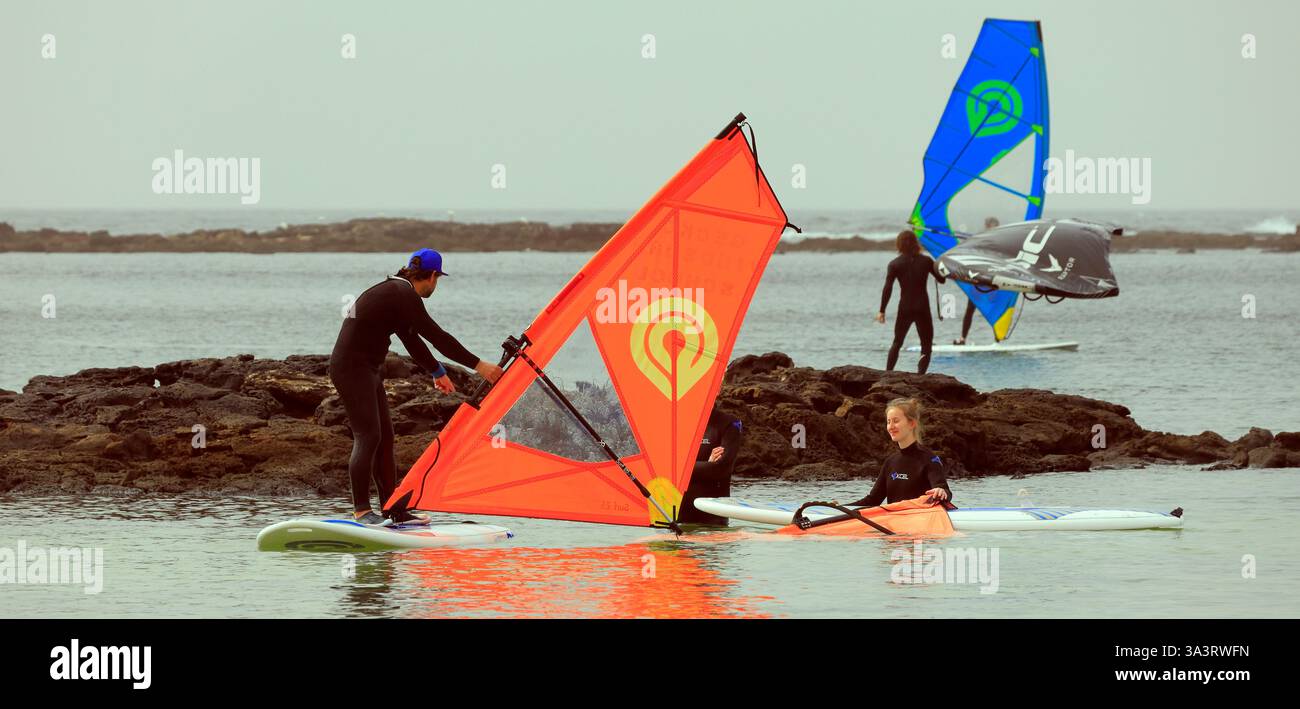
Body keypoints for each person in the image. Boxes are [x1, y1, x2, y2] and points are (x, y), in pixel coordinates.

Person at [329, 248, 503, 526]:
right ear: (433, 276)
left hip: (367, 370)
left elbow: (410, 338)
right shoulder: (403, 295)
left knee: (385, 437)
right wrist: (479, 365)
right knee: (369, 436)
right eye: (438, 280)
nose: (436, 285)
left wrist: (437, 371)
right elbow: (436, 336)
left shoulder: (395, 293)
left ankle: (392, 510)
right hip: (352, 370)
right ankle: (362, 512)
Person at [842, 398, 951, 508]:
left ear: (912, 423)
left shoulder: (929, 459)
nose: (891, 426)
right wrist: (840, 508)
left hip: (919, 520)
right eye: (888, 422)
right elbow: (873, 500)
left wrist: (941, 491)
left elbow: (944, 491)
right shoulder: (890, 462)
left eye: (896, 421)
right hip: (894, 522)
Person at [876, 229, 945, 374]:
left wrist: (882, 310)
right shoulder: (926, 261)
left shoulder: (894, 264)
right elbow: (942, 280)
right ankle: (920, 376)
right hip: (922, 307)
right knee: (926, 345)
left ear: (899, 244)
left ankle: (888, 373)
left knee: (897, 342)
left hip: (905, 307)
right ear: (915, 243)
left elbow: (887, 288)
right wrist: (941, 265)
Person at [679, 408, 743, 525]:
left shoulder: (729, 423)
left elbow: (721, 469)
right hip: (677, 517)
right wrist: (707, 465)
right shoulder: (679, 422)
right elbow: (664, 469)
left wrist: (684, 467)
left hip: (712, 520)